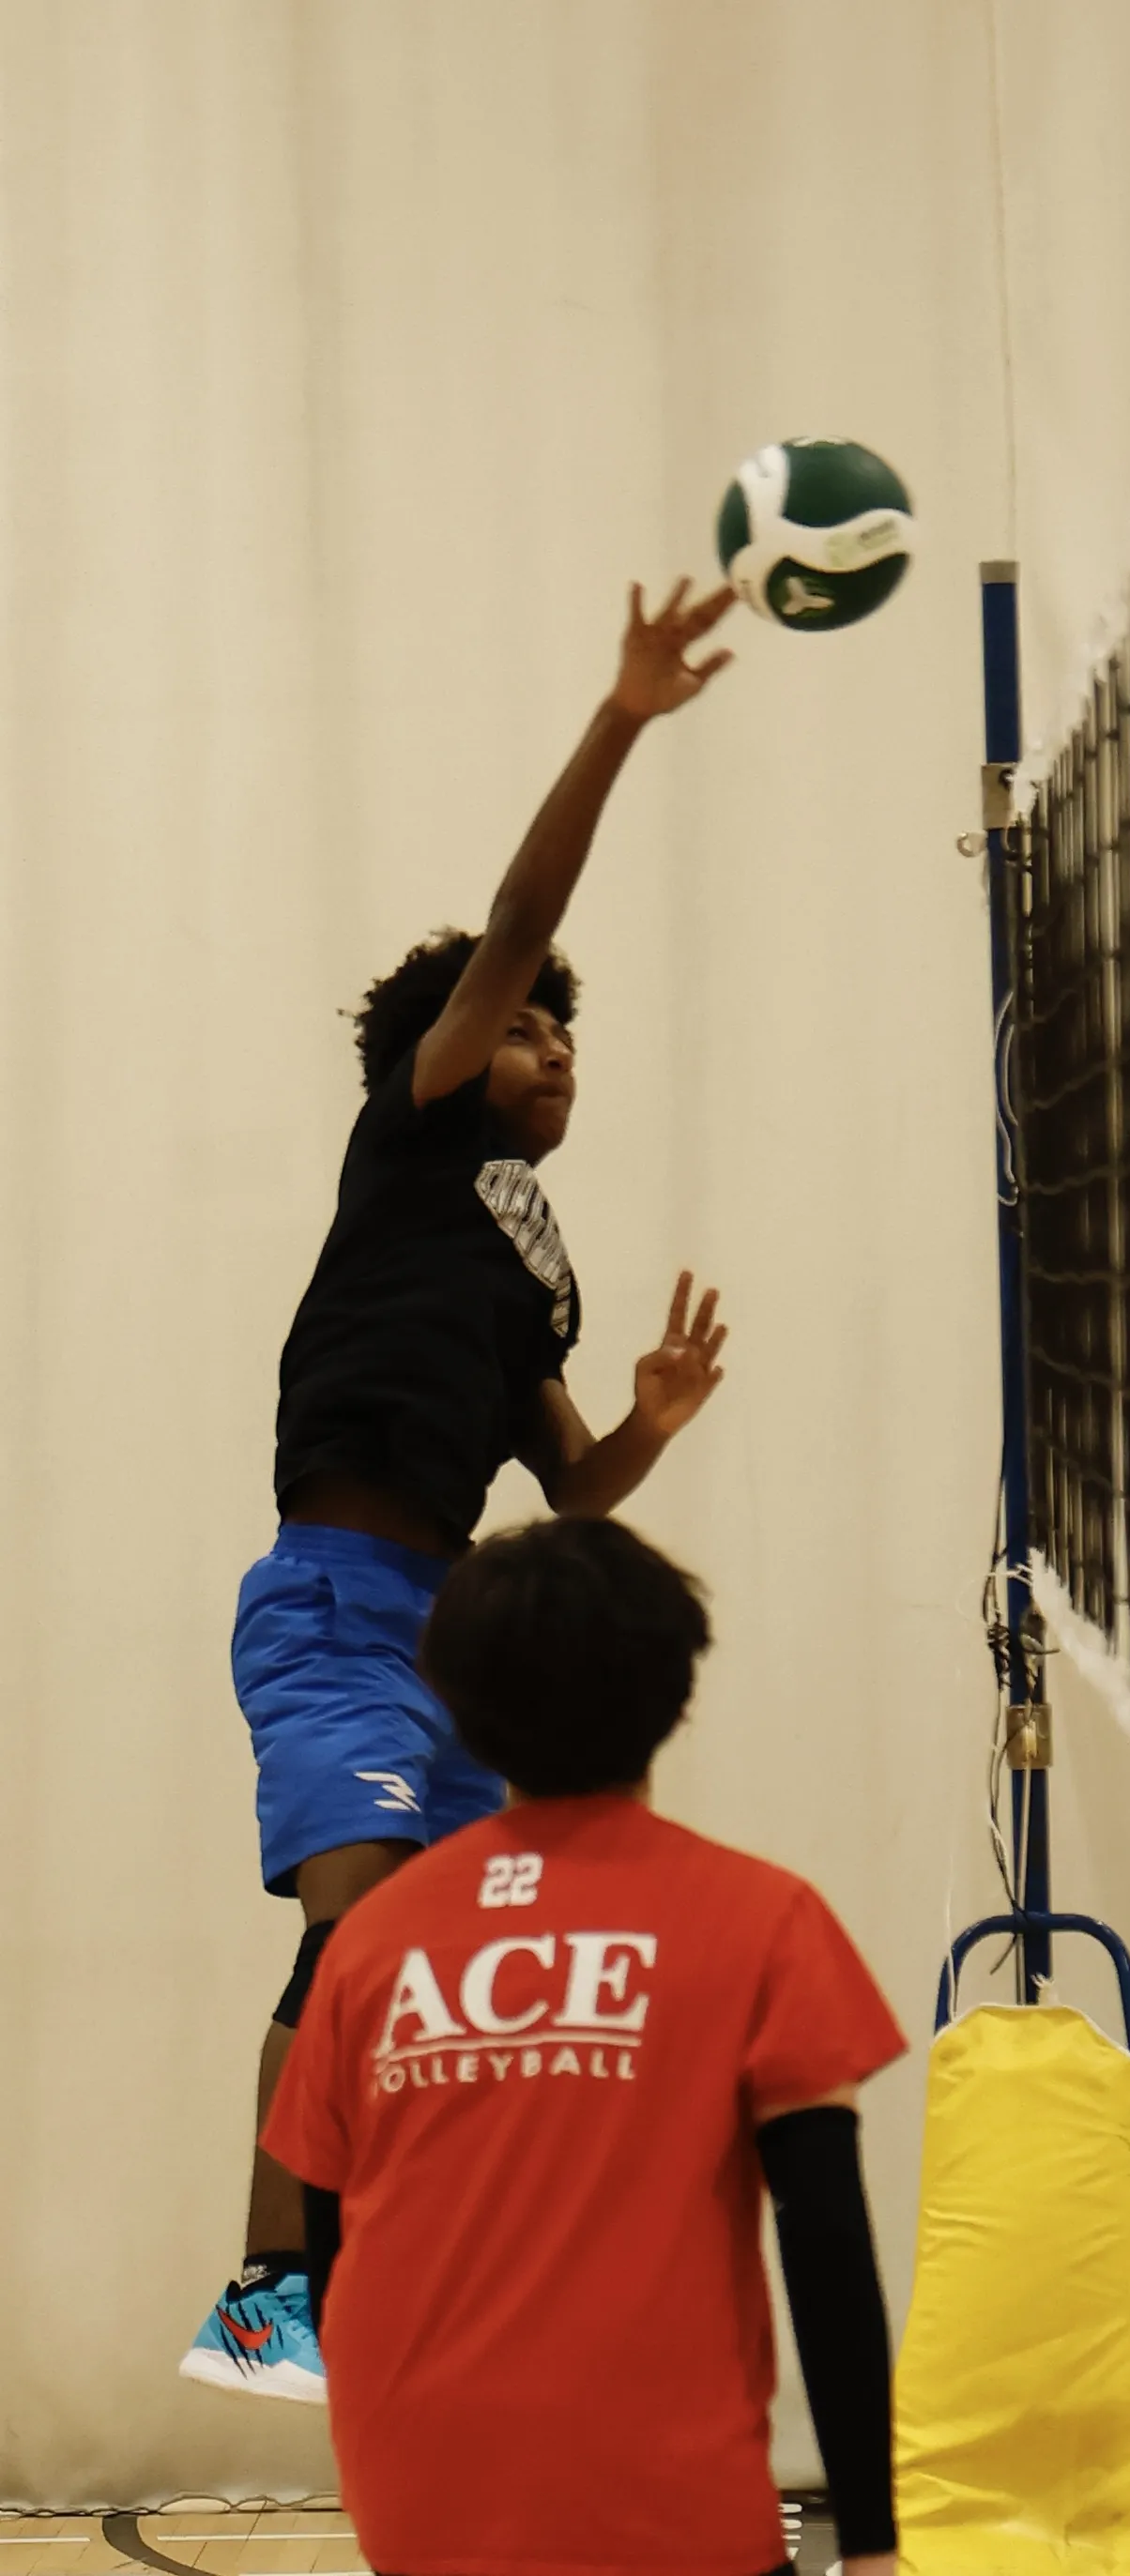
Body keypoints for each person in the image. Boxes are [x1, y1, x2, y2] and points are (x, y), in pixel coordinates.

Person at [181, 581, 736, 2401]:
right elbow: (521, 917)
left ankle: (446, 2267)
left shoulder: (533, 1258)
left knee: (464, 1962)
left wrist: (648, 1424)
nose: (550, 1045)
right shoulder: (412, 1137)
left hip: (464, 1636)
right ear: (448, 1055)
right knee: (354, 1921)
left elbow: (569, 1490)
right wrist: (626, 715)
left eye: (567, 1036)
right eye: (526, 1029)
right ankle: (276, 2286)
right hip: (335, 1600)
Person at [263, 1514, 905, 2576]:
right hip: (669, 2514)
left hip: (418, 2507)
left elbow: (328, 2232)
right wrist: (874, 2543)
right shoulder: (760, 1918)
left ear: (459, 1708)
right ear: (675, 1695)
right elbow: (826, 2236)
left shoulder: (369, 1943)